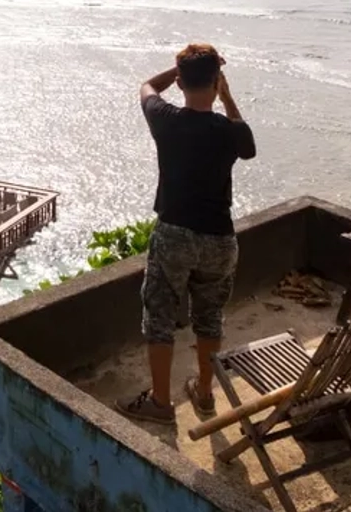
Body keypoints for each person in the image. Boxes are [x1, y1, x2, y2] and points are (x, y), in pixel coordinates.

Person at [119, 43, 256, 427]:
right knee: (209, 317)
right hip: (219, 240)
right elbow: (248, 148)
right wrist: (227, 96)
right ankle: (205, 393)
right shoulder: (228, 131)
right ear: (216, 82)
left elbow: (146, 85)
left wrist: (176, 72)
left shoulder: (166, 119)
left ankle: (161, 403)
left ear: (181, 83)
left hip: (175, 235)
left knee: (159, 317)